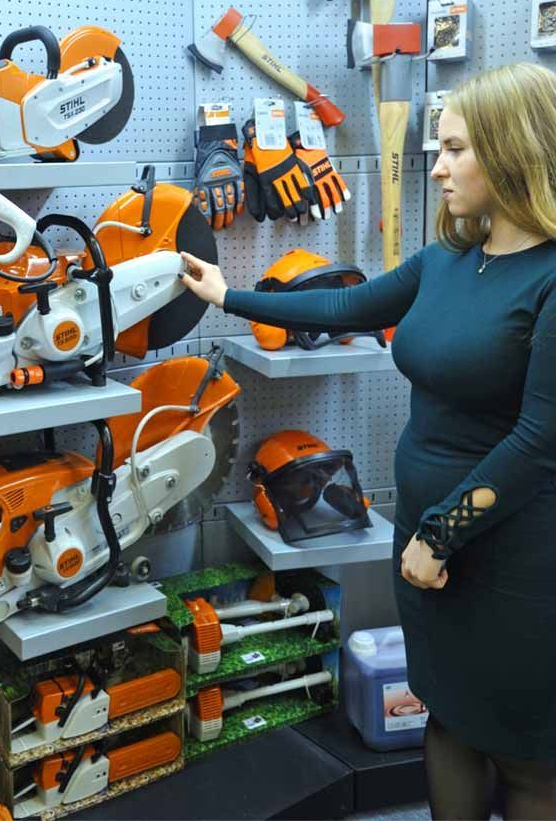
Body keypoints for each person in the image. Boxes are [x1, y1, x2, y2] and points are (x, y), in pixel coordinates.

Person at [179, 63, 556, 821]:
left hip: (509, 557)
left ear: (514, 152)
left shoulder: (549, 277)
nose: (439, 167)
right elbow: (348, 302)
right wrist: (227, 294)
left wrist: (441, 537)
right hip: (425, 545)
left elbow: (542, 440)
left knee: (525, 757)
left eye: (454, 150)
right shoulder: (452, 259)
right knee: (446, 718)